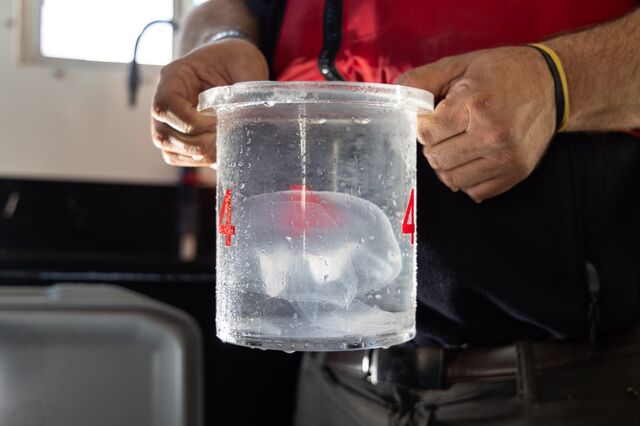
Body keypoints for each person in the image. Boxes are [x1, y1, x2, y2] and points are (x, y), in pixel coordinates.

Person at [151, 1, 640, 424]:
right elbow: (229, 9)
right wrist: (221, 39)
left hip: (562, 384)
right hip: (332, 375)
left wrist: (558, 79)